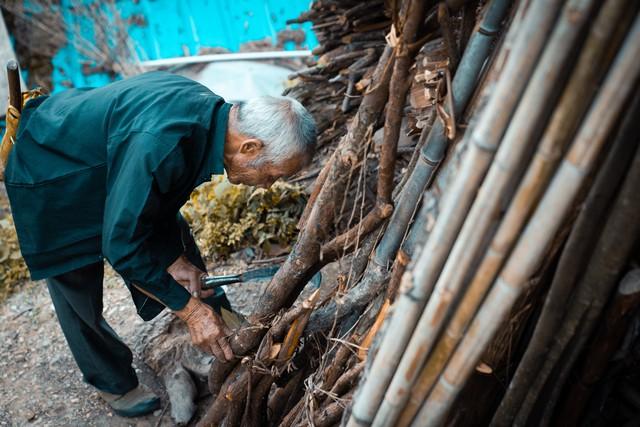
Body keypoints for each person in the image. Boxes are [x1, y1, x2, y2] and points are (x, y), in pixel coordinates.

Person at [2, 71, 316, 417]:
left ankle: (222, 319)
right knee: (75, 281)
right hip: (51, 168)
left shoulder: (209, 119)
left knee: (178, 240)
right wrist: (189, 310)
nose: (269, 185)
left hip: (103, 162)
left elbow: (158, 200)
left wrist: (172, 258)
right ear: (250, 147)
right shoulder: (163, 140)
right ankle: (113, 382)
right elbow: (121, 243)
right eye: (272, 174)